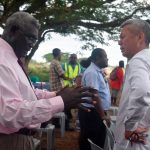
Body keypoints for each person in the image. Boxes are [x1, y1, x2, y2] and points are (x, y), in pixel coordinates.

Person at [0, 11, 97, 150]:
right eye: (30, 38)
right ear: (14, 31)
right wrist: (61, 101)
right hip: (10, 141)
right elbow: (9, 113)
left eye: (35, 40)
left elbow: (26, 92)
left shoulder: (11, 58)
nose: (32, 44)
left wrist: (56, 95)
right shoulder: (2, 60)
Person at [114, 19, 150, 150]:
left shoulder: (138, 60)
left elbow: (142, 91)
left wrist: (130, 127)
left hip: (132, 141)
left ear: (140, 37)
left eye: (123, 37)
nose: (119, 42)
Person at [79, 48, 111, 150]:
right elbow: (94, 95)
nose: (107, 59)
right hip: (92, 113)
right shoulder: (92, 72)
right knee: (92, 143)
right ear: (97, 58)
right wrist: (103, 115)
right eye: (105, 56)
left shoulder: (97, 71)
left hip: (96, 111)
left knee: (97, 140)